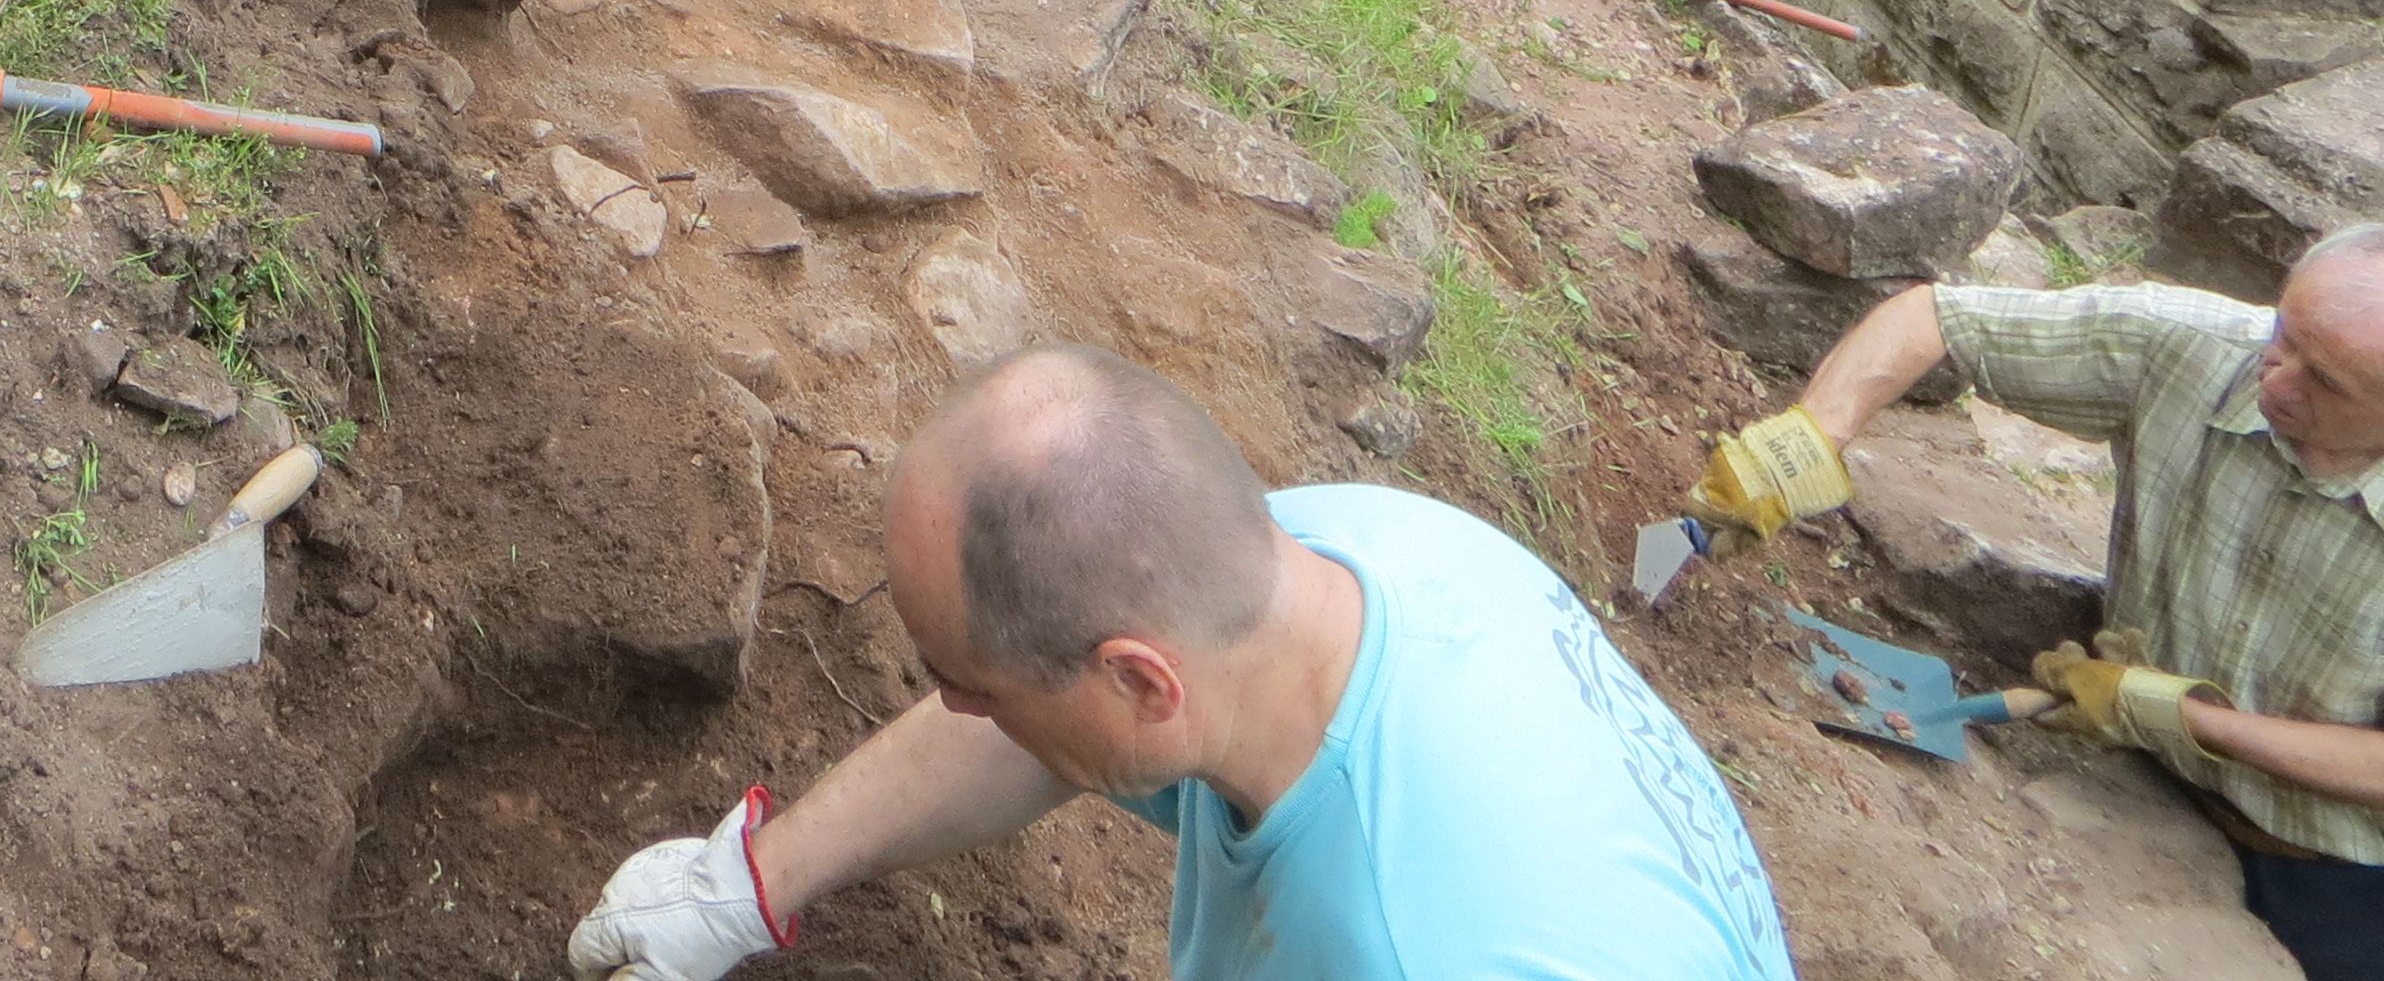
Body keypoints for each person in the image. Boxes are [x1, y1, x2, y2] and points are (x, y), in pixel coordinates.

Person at [571, 344, 1794, 980]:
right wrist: (750, 883)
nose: (952, 708)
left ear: (1140, 684)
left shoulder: (1407, 941)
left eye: (974, 689)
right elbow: (1029, 714)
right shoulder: (1345, 548)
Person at [1696, 220, 2384, 977]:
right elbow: (1934, 318)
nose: (2274, 382)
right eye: (2284, 337)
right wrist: (1807, 442)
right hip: (2147, 789)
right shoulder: (2198, 348)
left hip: (2343, 866)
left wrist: (2178, 714)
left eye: (2326, 382)